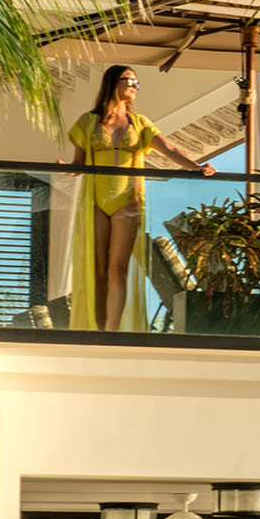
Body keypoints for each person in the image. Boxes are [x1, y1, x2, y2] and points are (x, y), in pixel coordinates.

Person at [65, 65, 214, 331]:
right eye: (130, 80)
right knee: (98, 270)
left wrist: (197, 166)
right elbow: (79, 163)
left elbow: (169, 148)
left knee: (117, 269)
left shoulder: (140, 123)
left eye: (137, 82)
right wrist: (66, 167)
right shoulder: (87, 122)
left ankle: (112, 331)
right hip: (96, 202)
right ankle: (97, 329)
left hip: (128, 201)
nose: (135, 85)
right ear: (114, 83)